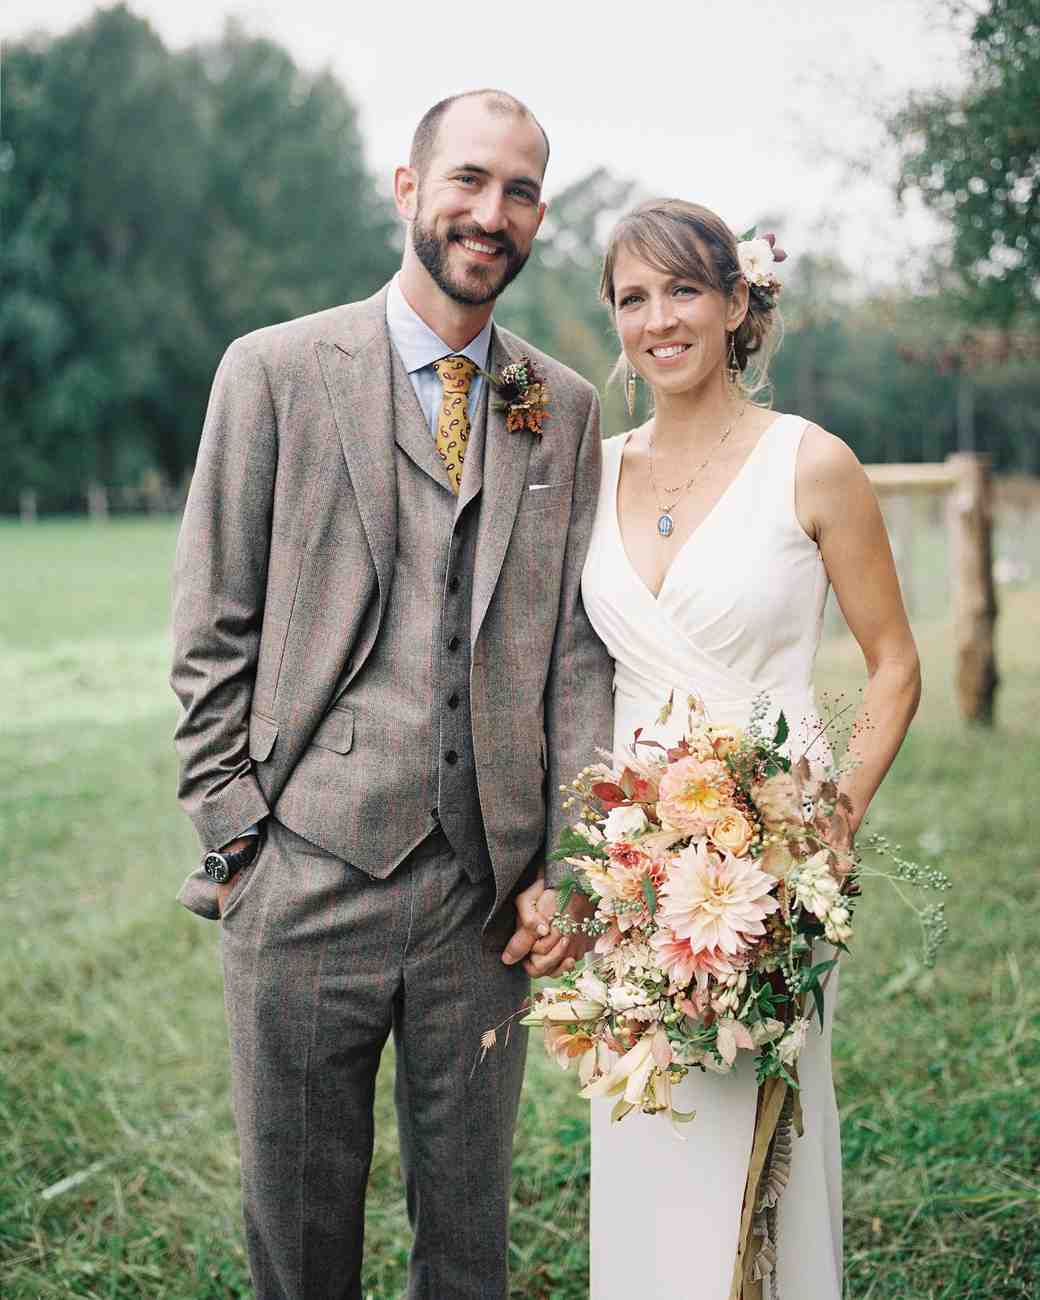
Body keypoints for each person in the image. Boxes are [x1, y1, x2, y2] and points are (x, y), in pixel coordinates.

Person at [169, 88, 612, 1300]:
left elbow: (575, 655)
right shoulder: (272, 371)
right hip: (304, 871)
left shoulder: (562, 407)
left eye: (519, 191)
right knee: (301, 1235)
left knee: (466, 1242)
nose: (491, 212)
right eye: (467, 180)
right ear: (408, 189)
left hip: (488, 897)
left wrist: (561, 867)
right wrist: (236, 832)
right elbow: (212, 624)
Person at [576, 200, 921, 1298]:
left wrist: (823, 825)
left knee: (759, 1145)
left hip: (765, 871)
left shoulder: (809, 464)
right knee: (642, 1128)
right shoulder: (588, 473)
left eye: (681, 290)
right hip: (631, 870)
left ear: (736, 303)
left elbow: (893, 664)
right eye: (632, 297)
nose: (657, 318)